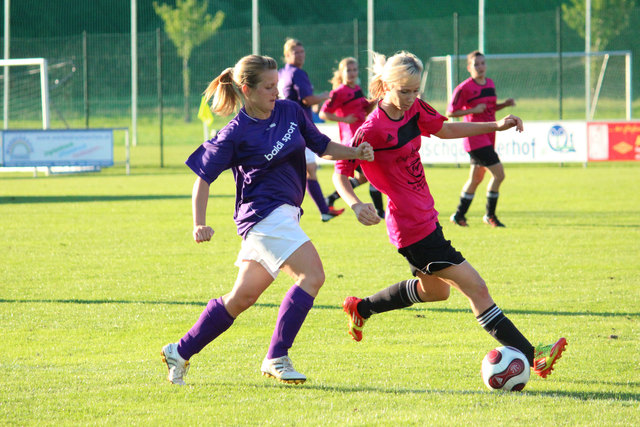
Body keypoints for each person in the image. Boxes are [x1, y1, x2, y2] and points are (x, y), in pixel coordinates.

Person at [333, 51, 566, 380]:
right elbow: (340, 173)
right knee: (477, 288)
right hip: (412, 229)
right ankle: (534, 356)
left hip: (425, 218)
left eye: (417, 91)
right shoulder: (371, 129)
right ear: (386, 86)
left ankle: (362, 308)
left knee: (435, 292)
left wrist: (496, 123)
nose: (412, 98)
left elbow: (443, 128)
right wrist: (356, 204)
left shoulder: (413, 108)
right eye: (404, 91)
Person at [161, 54, 374, 386]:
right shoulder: (236, 132)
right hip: (264, 217)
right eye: (268, 87)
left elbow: (321, 144)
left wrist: (355, 153)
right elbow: (202, 178)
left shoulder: (290, 110)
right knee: (312, 275)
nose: (277, 92)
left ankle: (180, 349)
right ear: (246, 90)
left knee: (241, 298)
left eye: (277, 84)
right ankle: (277, 356)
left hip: (284, 215)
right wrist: (197, 223)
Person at [447, 50, 516, 228]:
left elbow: (489, 109)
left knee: (476, 177)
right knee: (499, 174)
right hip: (474, 136)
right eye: (476, 64)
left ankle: (459, 215)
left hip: (489, 134)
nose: (480, 67)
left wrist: (504, 105)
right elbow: (450, 112)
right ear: (469, 67)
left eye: (483, 63)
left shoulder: (490, 83)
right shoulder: (463, 88)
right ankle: (490, 215)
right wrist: (472, 110)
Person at [278, 38, 343, 222]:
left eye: (302, 51)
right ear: (287, 55)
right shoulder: (297, 73)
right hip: (299, 127)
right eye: (295, 52)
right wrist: (326, 95)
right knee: (309, 169)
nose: (300, 55)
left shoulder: (281, 73)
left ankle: (323, 209)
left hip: (284, 126)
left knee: (305, 170)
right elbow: (307, 99)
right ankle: (317, 209)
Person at [319, 57, 385, 218]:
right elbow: (323, 113)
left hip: (362, 137)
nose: (352, 73)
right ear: (342, 73)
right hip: (351, 143)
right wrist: (344, 119)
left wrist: (376, 99)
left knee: (363, 177)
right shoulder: (339, 91)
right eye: (349, 70)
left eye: (355, 70)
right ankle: (381, 212)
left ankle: (331, 198)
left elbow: (364, 110)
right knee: (373, 173)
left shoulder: (356, 89)